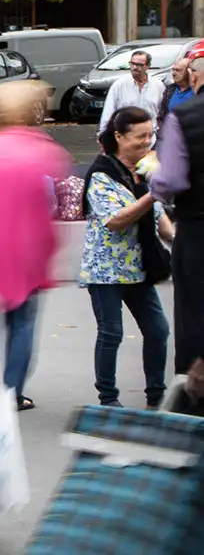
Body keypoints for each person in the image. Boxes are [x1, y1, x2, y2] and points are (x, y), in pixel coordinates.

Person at [0, 81, 69, 411]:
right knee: (23, 323)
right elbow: (53, 203)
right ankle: (12, 390)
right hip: (29, 251)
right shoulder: (43, 150)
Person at [82, 106, 172, 407]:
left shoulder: (145, 170)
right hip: (106, 269)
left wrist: (181, 242)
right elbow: (117, 219)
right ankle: (108, 398)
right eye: (139, 136)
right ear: (119, 136)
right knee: (111, 333)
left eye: (150, 135)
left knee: (158, 330)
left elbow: (159, 218)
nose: (146, 142)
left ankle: (157, 394)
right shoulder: (101, 174)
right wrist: (153, 193)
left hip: (139, 265)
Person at [152, 44, 204, 396]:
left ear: (196, 74)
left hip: (198, 231)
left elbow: (170, 181)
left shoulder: (184, 117)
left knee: (194, 318)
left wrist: (152, 183)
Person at [97, 49, 164, 138]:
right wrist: (103, 135)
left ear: (147, 66)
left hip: (151, 138)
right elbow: (108, 112)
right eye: (132, 64)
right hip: (126, 137)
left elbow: (162, 113)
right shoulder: (119, 85)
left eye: (139, 65)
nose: (135, 67)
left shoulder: (158, 86)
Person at [156, 54, 195, 146]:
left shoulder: (197, 91)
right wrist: (163, 135)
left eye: (178, 70)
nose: (173, 73)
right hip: (170, 140)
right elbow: (161, 117)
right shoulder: (170, 90)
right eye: (173, 70)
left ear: (189, 71)